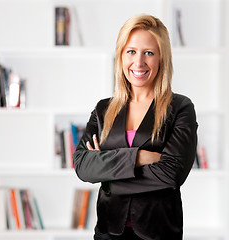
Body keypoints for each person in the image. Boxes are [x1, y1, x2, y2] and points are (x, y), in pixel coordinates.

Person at [73, 14, 198, 240]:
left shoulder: (180, 107)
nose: (138, 62)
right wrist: (139, 157)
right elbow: (82, 165)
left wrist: (108, 176)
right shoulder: (104, 110)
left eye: (148, 53)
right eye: (131, 51)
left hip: (158, 233)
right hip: (107, 232)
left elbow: (171, 174)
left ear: (162, 58)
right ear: (121, 56)